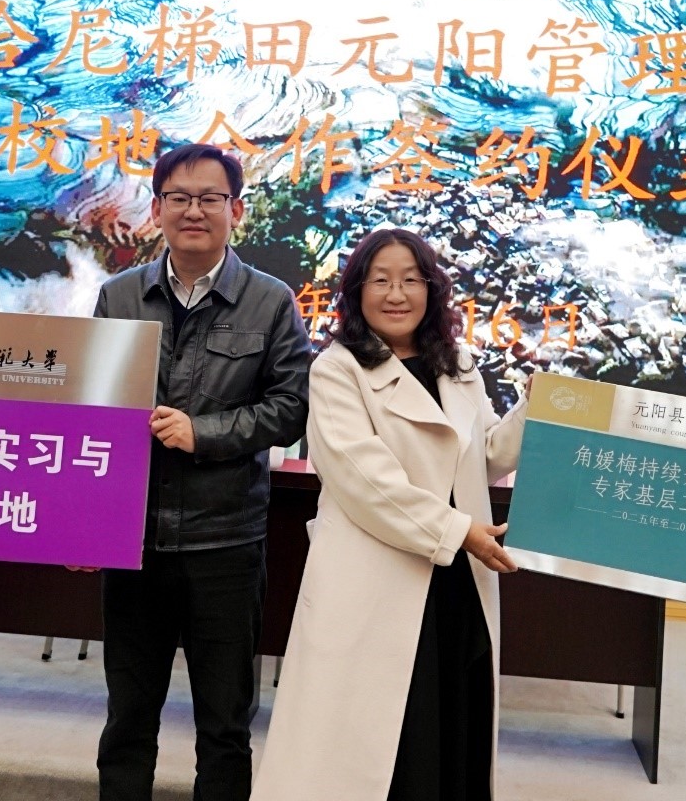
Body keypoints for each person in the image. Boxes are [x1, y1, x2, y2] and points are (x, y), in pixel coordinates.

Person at [252, 228, 528, 801]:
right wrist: (460, 531)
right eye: (380, 280)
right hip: (380, 579)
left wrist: (535, 407)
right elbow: (364, 480)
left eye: (410, 280)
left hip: (455, 580)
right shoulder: (337, 369)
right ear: (357, 292)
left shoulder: (458, 363)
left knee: (451, 723)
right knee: (380, 745)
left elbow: (486, 455)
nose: (396, 294)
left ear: (432, 289)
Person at [87, 144, 311, 801]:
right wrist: (84, 523)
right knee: (128, 718)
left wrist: (202, 433)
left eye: (210, 198)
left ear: (234, 210)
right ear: (156, 209)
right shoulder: (119, 296)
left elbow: (291, 408)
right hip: (134, 544)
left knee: (224, 725)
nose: (193, 211)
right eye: (178, 198)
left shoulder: (270, 301)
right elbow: (92, 411)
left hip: (226, 543)